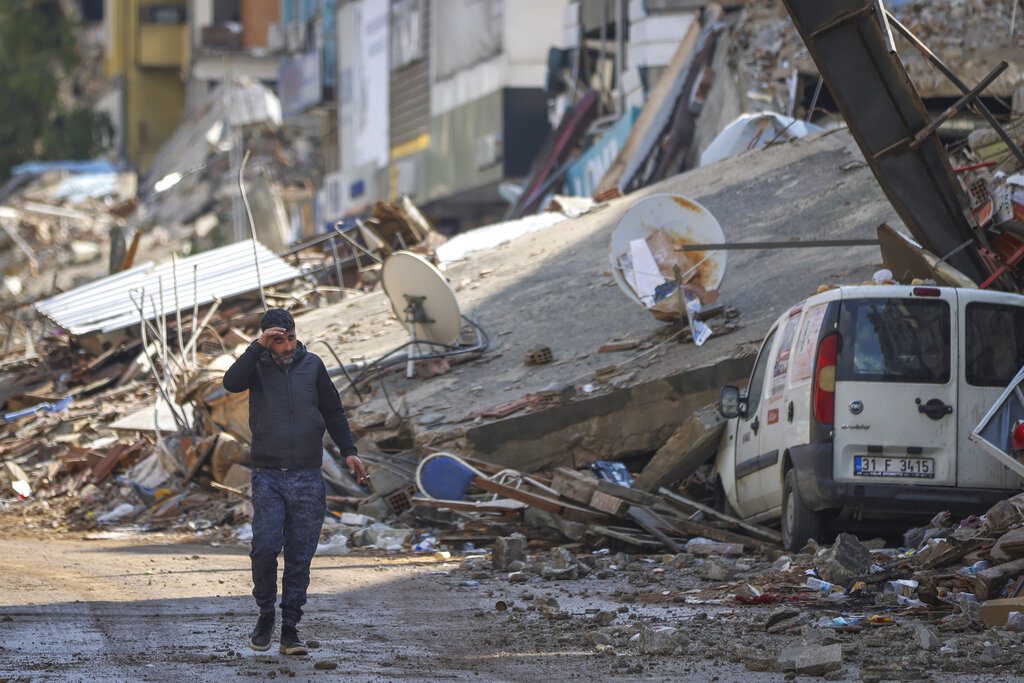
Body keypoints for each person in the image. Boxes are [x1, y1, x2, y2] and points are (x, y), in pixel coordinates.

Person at [223, 308, 366, 655]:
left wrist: (349, 450)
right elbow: (231, 383)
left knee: (300, 555)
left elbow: (333, 410)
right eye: (278, 340)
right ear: (266, 339)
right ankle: (265, 615)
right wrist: (257, 347)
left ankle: (290, 629)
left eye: (290, 338)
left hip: (308, 475)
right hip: (268, 475)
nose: (287, 346)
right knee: (266, 547)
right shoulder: (255, 365)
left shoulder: (312, 365)